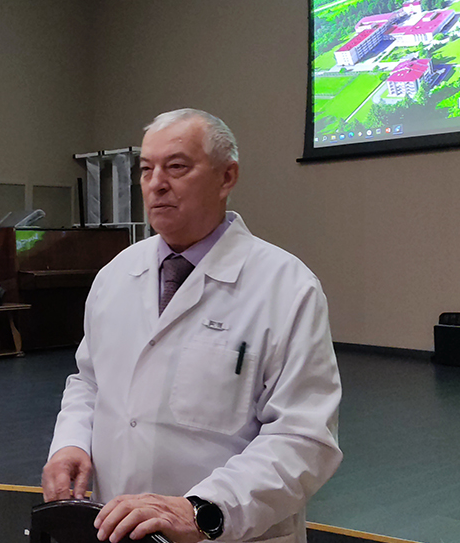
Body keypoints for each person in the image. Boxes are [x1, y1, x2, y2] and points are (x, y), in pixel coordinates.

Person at [42, 108, 342, 543]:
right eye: (147, 169)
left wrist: (203, 510)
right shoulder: (115, 276)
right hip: (119, 527)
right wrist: (71, 442)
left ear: (227, 177)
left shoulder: (286, 287)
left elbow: (303, 437)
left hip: (229, 531)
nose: (157, 183)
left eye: (177, 167)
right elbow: (89, 381)